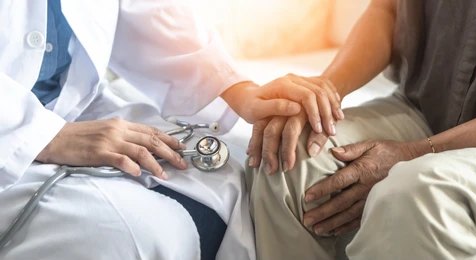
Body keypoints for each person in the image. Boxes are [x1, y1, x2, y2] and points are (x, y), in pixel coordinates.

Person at [0, 0, 342, 259]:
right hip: (12, 131)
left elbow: (145, 8)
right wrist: (46, 136)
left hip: (75, 105)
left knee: (241, 173)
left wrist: (238, 90)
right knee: (133, 234)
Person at [246, 0, 476, 259]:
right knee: (289, 148)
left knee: (418, 193)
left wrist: (415, 153)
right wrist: (323, 95)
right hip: (426, 106)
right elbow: (387, 10)